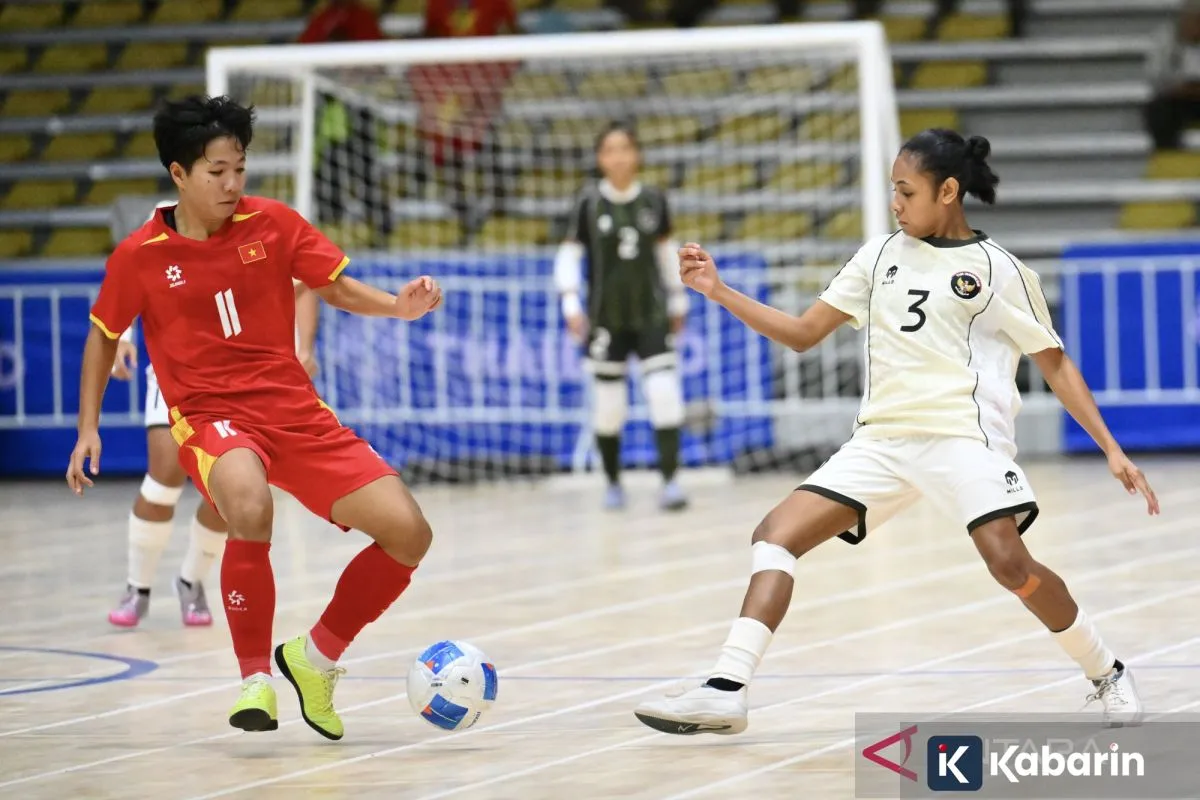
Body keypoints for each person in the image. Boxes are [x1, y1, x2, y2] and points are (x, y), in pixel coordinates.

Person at [633, 129, 1160, 735]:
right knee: (774, 536)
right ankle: (727, 690)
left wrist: (1111, 449)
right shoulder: (878, 255)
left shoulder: (1000, 270)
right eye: (893, 190)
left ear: (948, 192)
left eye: (907, 191)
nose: (896, 203)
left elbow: (1055, 363)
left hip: (963, 440)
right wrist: (719, 291)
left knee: (1010, 565)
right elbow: (803, 334)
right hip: (882, 441)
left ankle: (1107, 671)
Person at [67, 95, 443, 740]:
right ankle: (254, 679)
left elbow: (333, 285)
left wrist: (396, 307)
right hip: (209, 414)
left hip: (294, 410)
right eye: (217, 171)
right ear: (179, 173)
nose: (232, 183)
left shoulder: (273, 223)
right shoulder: (140, 253)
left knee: (409, 533)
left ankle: (314, 658)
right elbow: (103, 334)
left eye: (239, 168)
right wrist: (87, 428)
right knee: (248, 500)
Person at [105, 280, 321, 629]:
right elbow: (132, 276)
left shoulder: (260, 242)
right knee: (163, 484)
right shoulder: (166, 241)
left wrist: (304, 349)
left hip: (243, 375)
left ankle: (190, 580)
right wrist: (123, 336)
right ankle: (137, 586)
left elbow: (302, 284)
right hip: (177, 368)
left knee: (231, 492)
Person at [554, 122, 689, 512]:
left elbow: (665, 251)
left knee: (664, 393)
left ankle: (670, 482)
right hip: (605, 319)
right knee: (609, 406)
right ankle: (613, 483)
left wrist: (679, 300)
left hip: (650, 314)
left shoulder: (653, 199)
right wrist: (570, 304)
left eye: (625, 148)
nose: (618, 157)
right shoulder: (588, 202)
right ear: (600, 158)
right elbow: (569, 254)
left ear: (637, 155)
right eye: (610, 150)